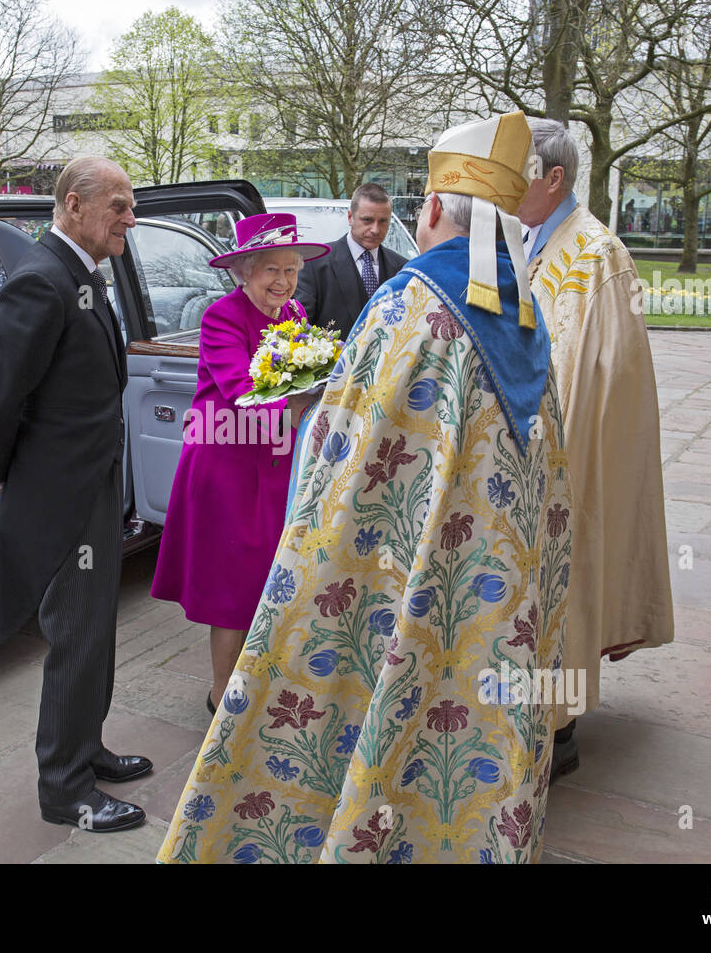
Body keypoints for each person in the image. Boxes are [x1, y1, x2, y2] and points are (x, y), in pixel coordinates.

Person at [158, 111, 573, 864]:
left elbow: (340, 461)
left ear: (440, 209)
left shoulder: (409, 309)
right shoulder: (526, 312)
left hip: (398, 582)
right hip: (494, 591)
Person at [0, 156, 152, 833]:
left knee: (96, 629)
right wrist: (2, 473)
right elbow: (1, 397)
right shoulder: (40, 282)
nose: (130, 218)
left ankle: (86, 748)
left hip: (91, 484)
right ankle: (65, 789)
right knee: (75, 633)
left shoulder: (78, 274)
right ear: (74, 205)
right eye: (119, 206)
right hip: (60, 493)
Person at [517, 118, 674, 779]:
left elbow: (609, 373)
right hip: (530, 447)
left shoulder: (597, 254)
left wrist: (564, 454)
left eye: (517, 172)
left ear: (554, 180)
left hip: (570, 451)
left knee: (566, 582)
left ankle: (562, 732)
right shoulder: (530, 239)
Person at [150, 213, 329, 716]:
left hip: (277, 465)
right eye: (271, 269)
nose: (283, 281)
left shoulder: (293, 312)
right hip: (227, 467)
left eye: (290, 270)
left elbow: (307, 375)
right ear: (243, 272)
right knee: (232, 589)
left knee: (274, 580)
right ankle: (222, 698)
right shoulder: (221, 317)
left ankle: (262, 682)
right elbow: (241, 391)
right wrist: (299, 406)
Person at [293, 182, 407, 332]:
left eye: (383, 221)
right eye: (367, 220)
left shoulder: (403, 269)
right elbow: (301, 329)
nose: (375, 229)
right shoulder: (314, 264)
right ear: (350, 217)